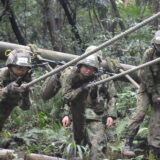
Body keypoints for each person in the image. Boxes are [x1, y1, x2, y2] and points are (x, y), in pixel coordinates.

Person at [60, 47, 117, 160]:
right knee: (74, 148)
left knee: (97, 148)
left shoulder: (104, 76)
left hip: (96, 117)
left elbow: (112, 96)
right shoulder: (73, 75)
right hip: (76, 115)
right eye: (86, 66)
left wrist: (111, 115)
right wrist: (66, 114)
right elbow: (67, 97)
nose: (88, 70)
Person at [122, 30, 160, 159]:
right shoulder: (149, 54)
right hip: (146, 88)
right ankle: (128, 142)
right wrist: (153, 93)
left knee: (157, 119)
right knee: (140, 113)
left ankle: (154, 149)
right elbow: (144, 74)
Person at [0, 48, 32, 132]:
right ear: (10, 66)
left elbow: (25, 107)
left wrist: (25, 94)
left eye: (25, 68)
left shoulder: (28, 81)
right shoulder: (1, 75)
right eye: (19, 67)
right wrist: (7, 89)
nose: (21, 71)